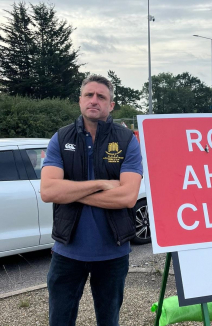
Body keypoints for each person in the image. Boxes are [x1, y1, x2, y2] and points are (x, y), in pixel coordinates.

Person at [40, 74, 142, 326]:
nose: (94, 100)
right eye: (89, 95)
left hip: (113, 253)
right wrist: (100, 184)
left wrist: (72, 193)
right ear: (80, 100)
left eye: (101, 96)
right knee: (60, 322)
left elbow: (128, 197)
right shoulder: (61, 139)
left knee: (109, 321)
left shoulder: (127, 140)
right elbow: (49, 192)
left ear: (111, 105)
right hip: (67, 252)